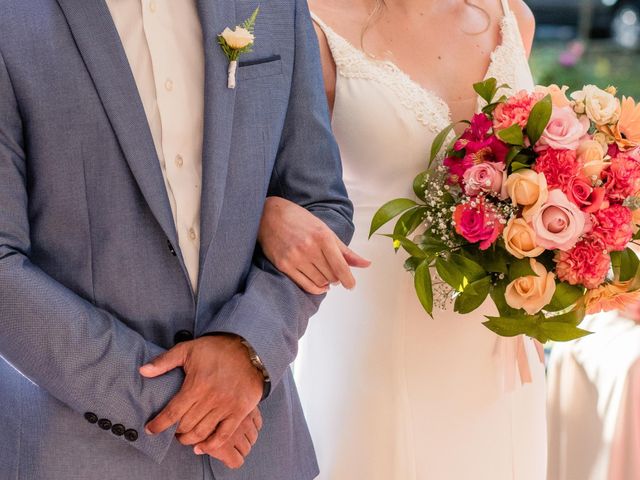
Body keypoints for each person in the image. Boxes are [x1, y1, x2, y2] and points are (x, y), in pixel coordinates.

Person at [0, 1, 353, 479]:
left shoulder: (275, 6)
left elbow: (319, 206)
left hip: (261, 456)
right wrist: (178, 398)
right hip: (78, 452)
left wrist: (250, 347)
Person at [258, 0, 547, 478]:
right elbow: (252, 172)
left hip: (501, 350)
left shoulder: (512, 13)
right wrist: (268, 214)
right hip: (373, 339)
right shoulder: (308, 26)